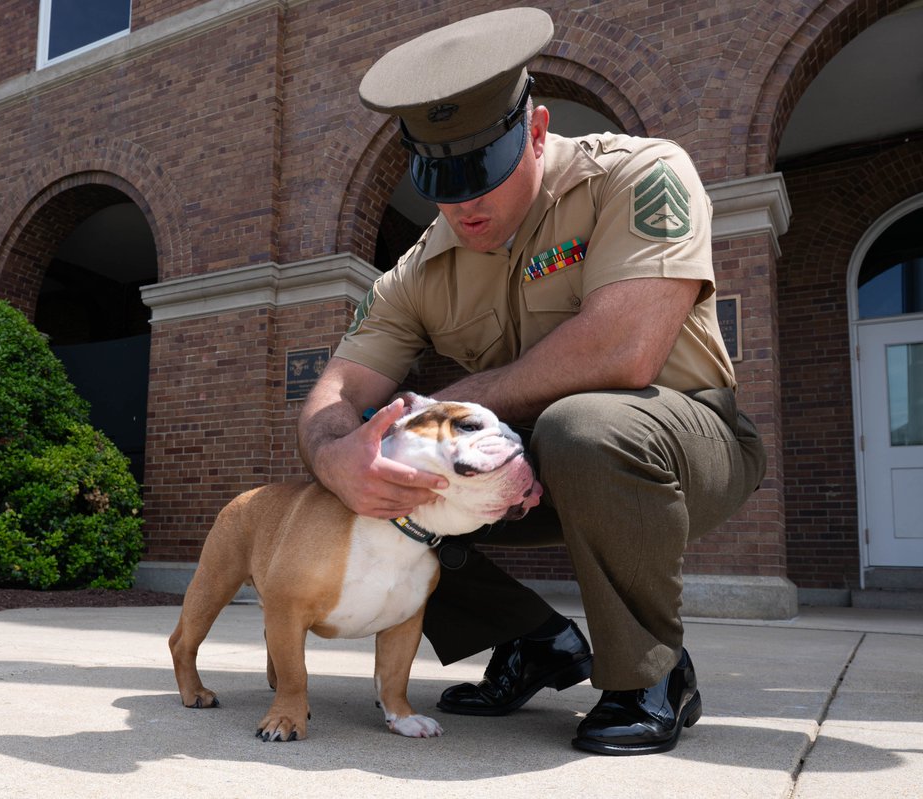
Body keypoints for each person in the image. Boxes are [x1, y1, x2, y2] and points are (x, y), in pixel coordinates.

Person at [296, 7, 767, 756]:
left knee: (584, 425)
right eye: (441, 185)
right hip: (525, 455)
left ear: (538, 130)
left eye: (482, 174)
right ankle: (531, 640)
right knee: (372, 467)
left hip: (678, 440)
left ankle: (652, 673)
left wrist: (452, 407)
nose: (463, 206)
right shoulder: (419, 269)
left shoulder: (638, 173)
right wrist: (336, 456)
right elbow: (335, 392)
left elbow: (626, 350)